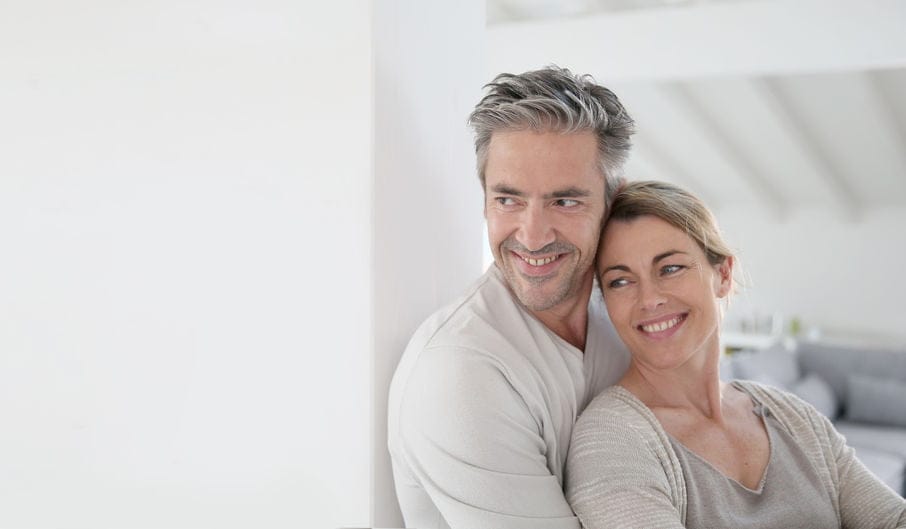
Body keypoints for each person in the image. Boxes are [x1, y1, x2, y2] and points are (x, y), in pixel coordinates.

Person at [565, 180, 906, 528]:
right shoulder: (612, 439)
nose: (649, 299)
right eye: (620, 281)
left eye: (670, 268)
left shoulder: (792, 417)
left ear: (723, 274)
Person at [387, 66, 635, 529]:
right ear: (484, 200)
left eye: (565, 202)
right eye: (509, 200)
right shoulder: (461, 372)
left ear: (612, 203)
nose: (533, 235)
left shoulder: (623, 321)